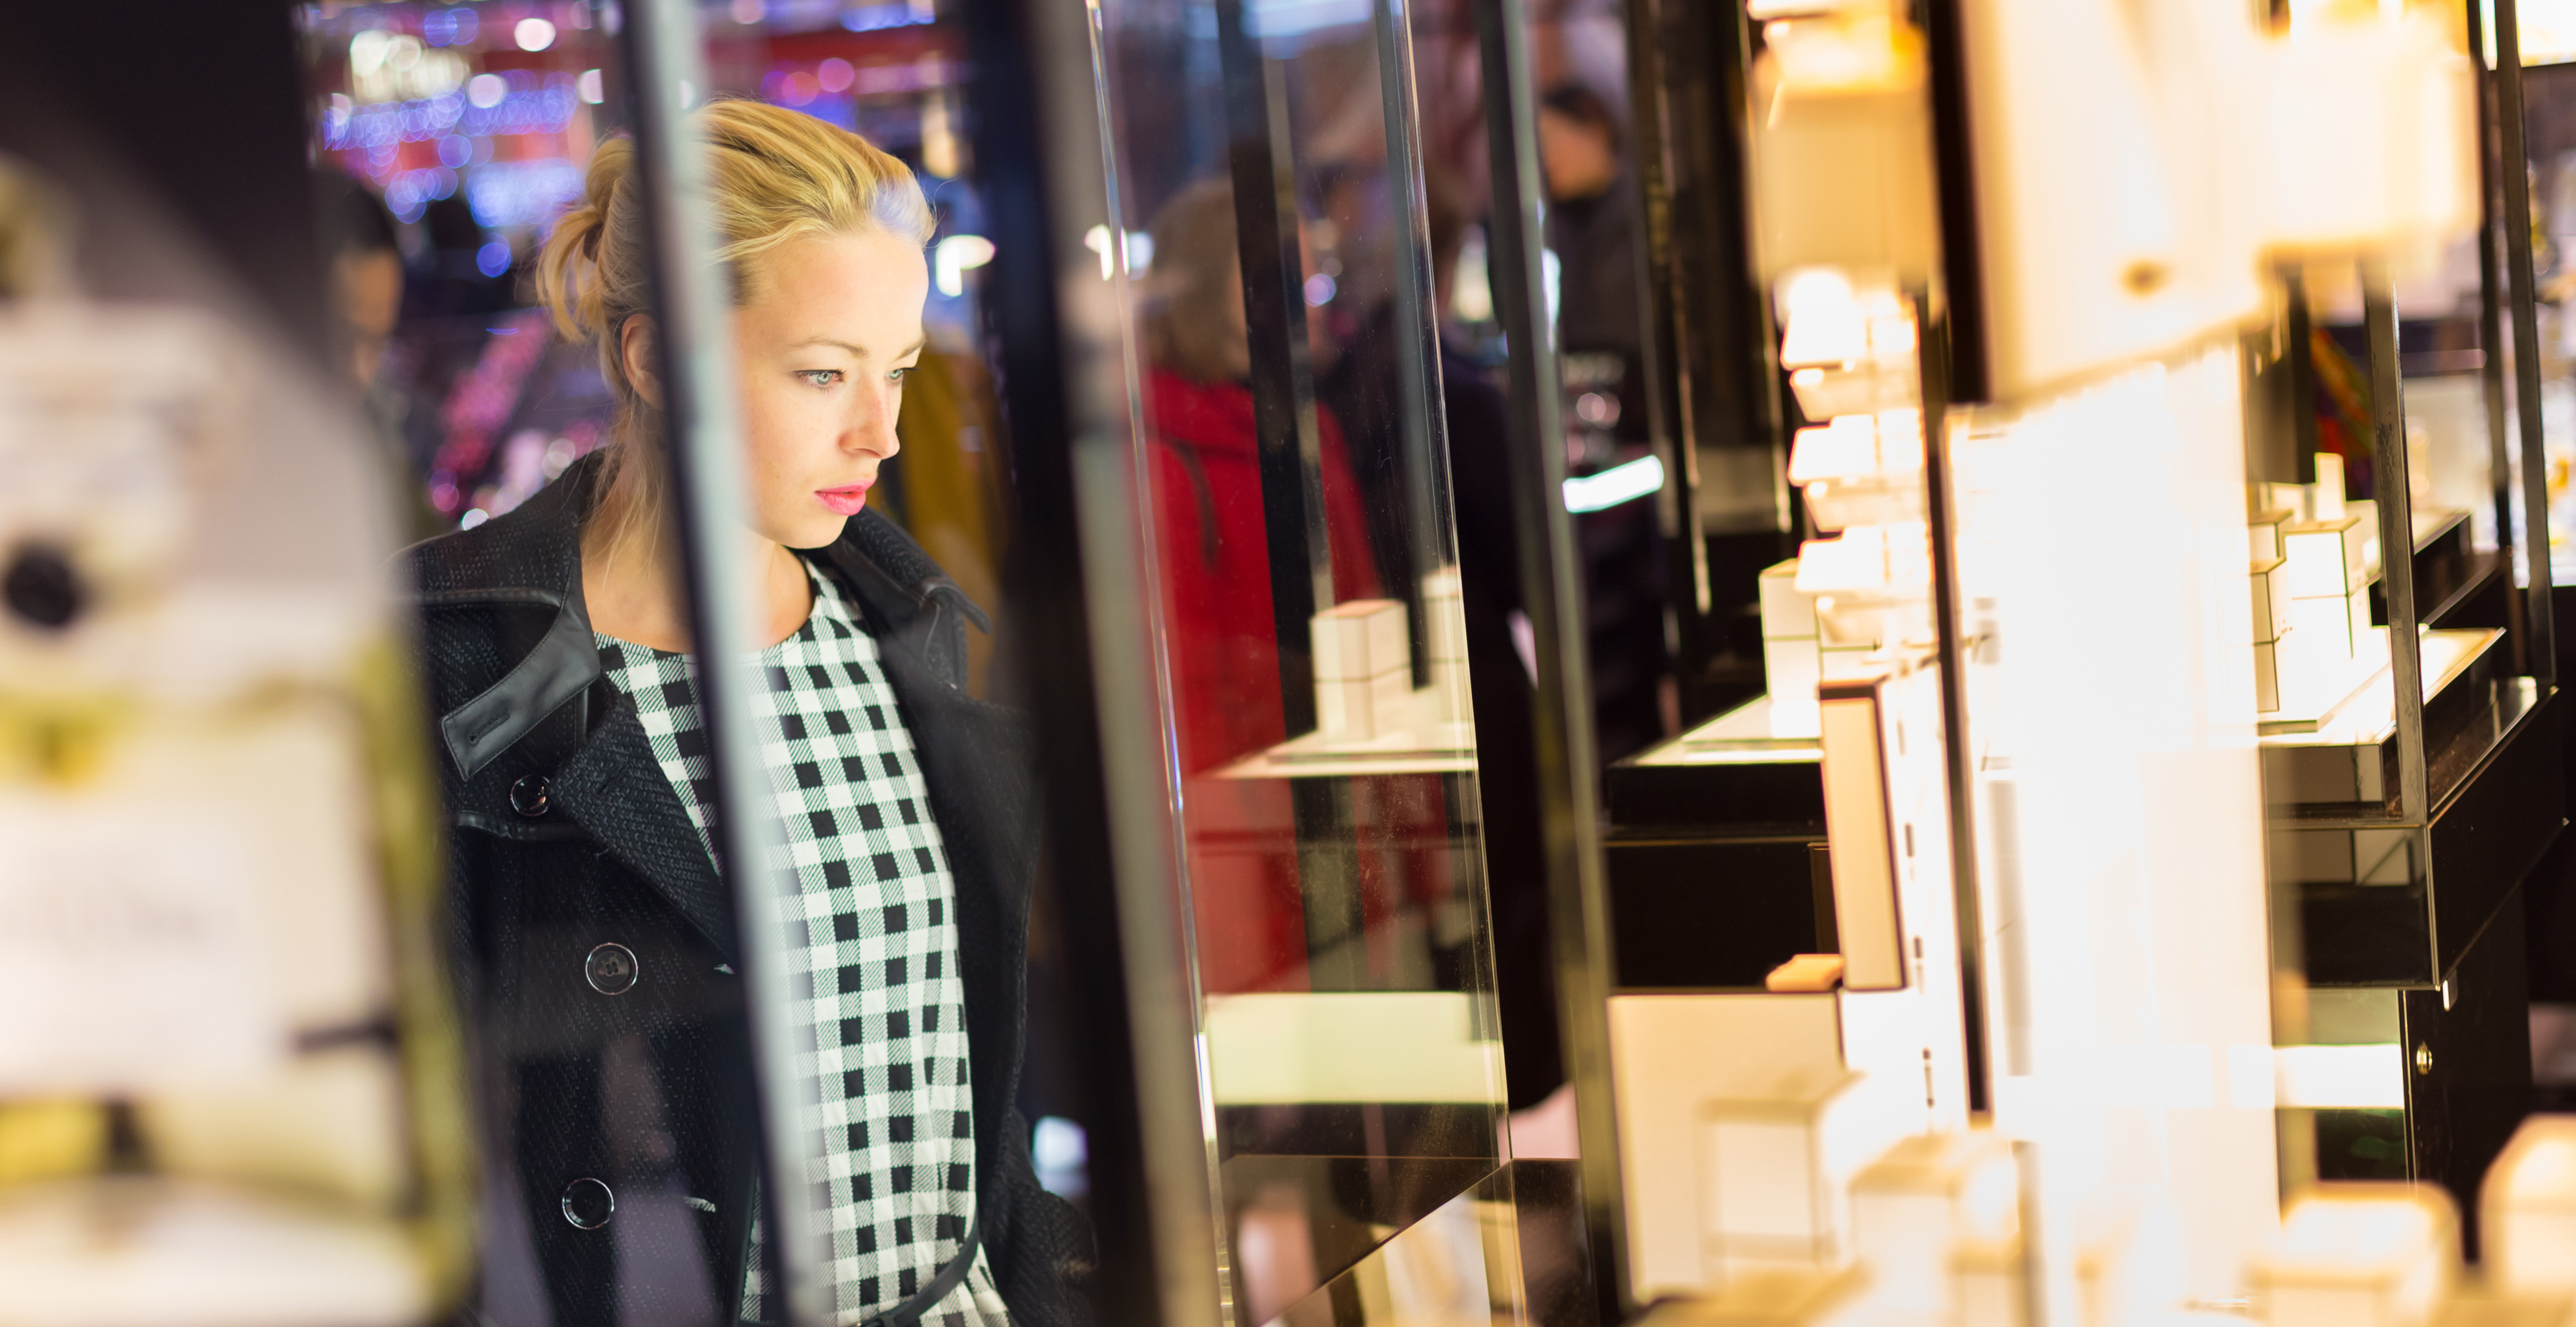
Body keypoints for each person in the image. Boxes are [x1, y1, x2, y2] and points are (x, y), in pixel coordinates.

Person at [405, 99, 1088, 1326]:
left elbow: (964, 1094)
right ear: (656, 360)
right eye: (824, 372)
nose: (878, 432)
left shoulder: (904, 634)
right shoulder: (460, 666)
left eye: (899, 371)